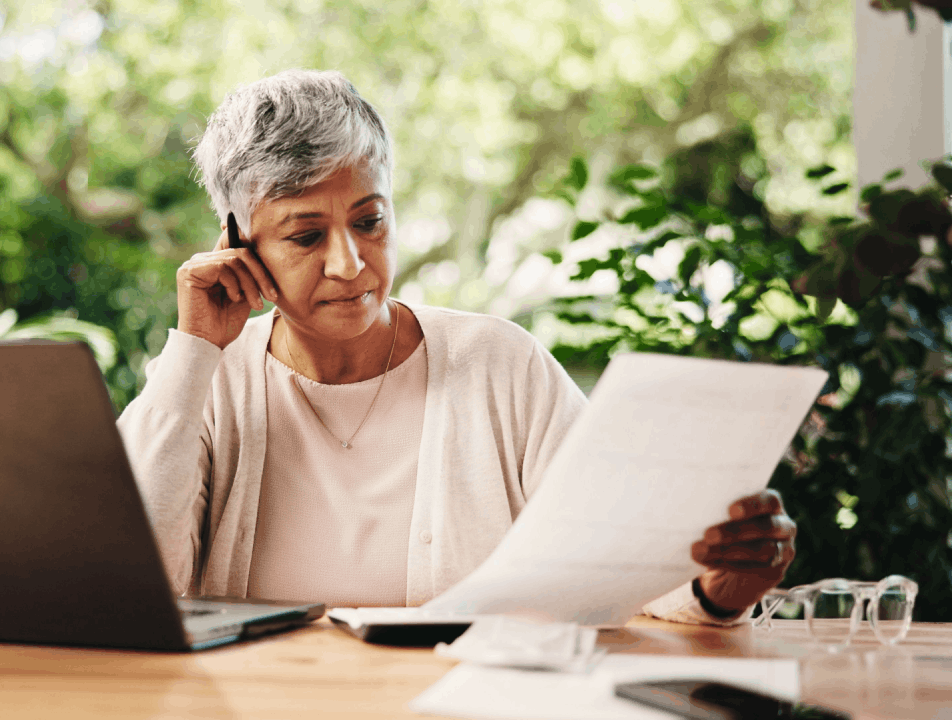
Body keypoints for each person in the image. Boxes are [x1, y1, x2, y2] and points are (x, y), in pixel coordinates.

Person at [116, 69, 796, 624]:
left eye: (370, 220)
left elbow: (634, 570)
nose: (350, 264)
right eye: (305, 236)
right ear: (237, 242)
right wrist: (193, 354)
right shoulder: (207, 383)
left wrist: (721, 585)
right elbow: (132, 580)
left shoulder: (502, 365)